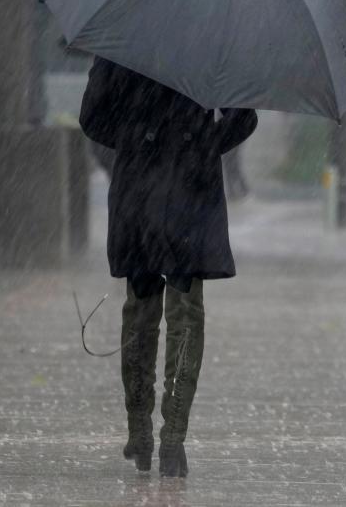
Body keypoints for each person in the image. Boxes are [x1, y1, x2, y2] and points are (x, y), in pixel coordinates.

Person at [79, 56, 258, 478]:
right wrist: (204, 142)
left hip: (137, 187)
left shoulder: (124, 41)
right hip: (190, 189)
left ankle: (139, 430)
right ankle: (173, 438)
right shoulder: (213, 45)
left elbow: (92, 119)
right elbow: (244, 117)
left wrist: (136, 137)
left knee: (140, 308)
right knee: (185, 309)